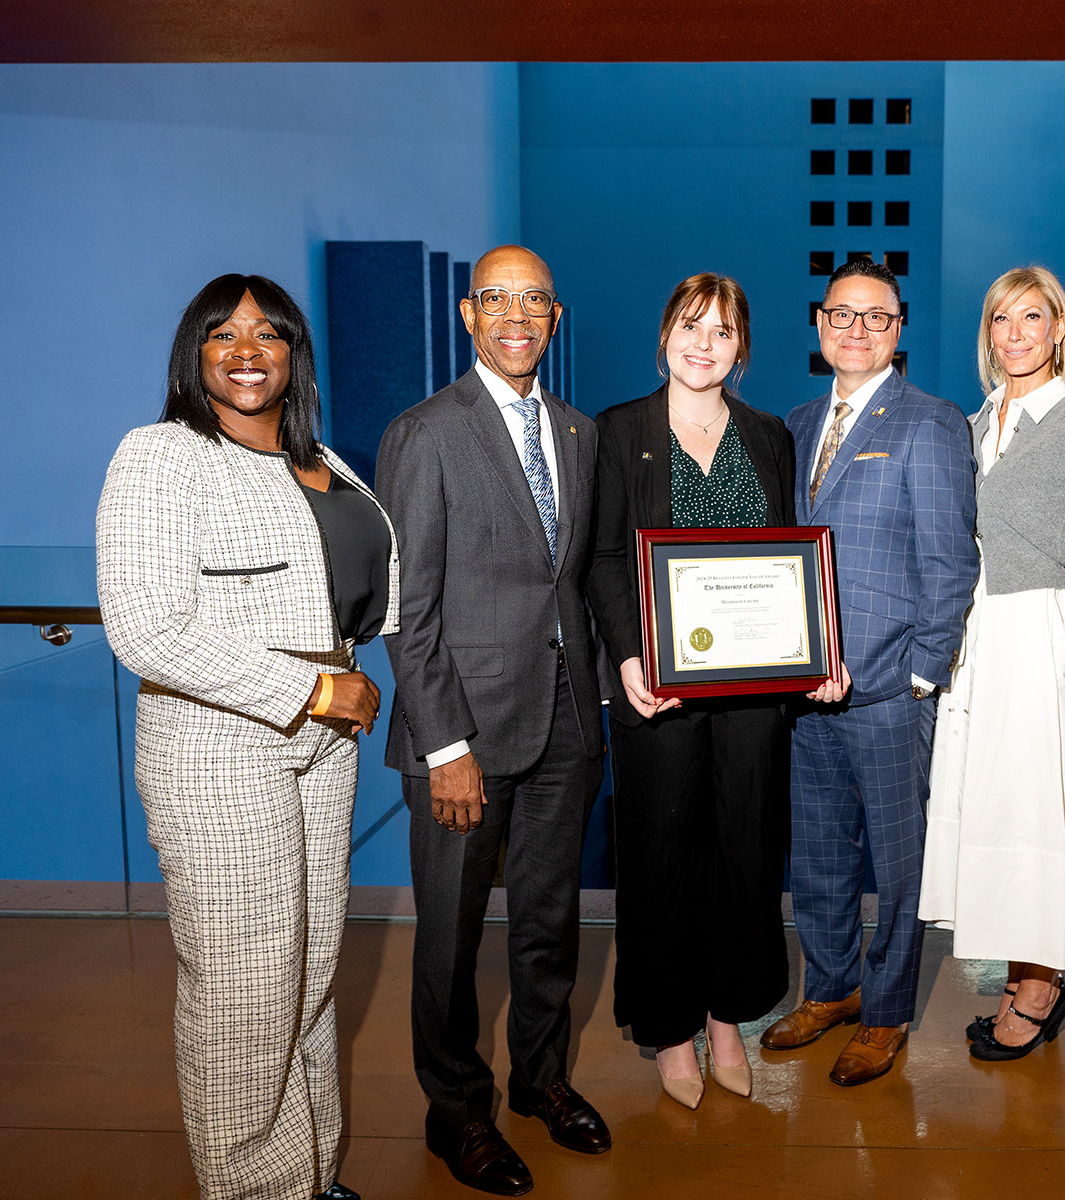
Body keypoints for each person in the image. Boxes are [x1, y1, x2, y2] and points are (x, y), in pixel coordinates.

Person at [97, 273, 397, 1200]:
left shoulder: (326, 462)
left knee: (305, 979)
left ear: (295, 355)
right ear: (194, 354)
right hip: (217, 749)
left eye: (268, 333)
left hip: (323, 748)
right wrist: (311, 687)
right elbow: (143, 625)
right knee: (243, 996)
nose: (246, 349)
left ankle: (306, 1175)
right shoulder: (159, 457)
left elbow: (385, 592)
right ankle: (252, 1190)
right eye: (222, 334)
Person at [377, 245, 610, 1197]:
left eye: (536, 301)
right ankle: (455, 1114)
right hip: (464, 736)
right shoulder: (425, 432)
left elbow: (575, 578)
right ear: (470, 315)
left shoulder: (579, 432)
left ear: (555, 317)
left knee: (549, 927)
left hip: (565, 726)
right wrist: (445, 747)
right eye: (497, 300)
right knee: (450, 937)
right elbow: (410, 607)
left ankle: (542, 1081)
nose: (517, 316)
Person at [759, 258, 980, 1086]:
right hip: (804, 691)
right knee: (816, 858)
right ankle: (830, 990)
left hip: (888, 691)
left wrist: (920, 675)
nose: (856, 329)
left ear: (900, 328)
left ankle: (885, 1013)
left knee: (896, 864)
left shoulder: (930, 420)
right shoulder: (793, 422)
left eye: (875, 316)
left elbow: (950, 562)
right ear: (819, 326)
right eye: (841, 315)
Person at [587, 274, 797, 1108]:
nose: (703, 343)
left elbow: (791, 562)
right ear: (664, 334)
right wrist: (632, 658)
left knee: (744, 855)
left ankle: (726, 1018)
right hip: (658, 691)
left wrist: (805, 655)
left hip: (752, 692)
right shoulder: (619, 432)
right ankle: (672, 1031)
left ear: (741, 348)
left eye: (721, 331)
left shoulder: (768, 436)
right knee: (660, 857)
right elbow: (603, 559)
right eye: (689, 324)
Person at [918, 265, 1065, 1061]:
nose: (1015, 334)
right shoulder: (973, 425)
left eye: (1031, 318)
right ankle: (1021, 972)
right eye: (1001, 320)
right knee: (999, 818)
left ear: (1057, 330)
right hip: (975, 642)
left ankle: (1040, 987)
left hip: (1039, 642)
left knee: (1038, 819)